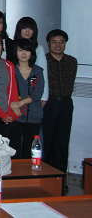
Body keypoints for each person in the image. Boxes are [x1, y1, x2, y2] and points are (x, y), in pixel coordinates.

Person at [42, 29, 77, 174]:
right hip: (49, 104)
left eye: (61, 42)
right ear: (48, 43)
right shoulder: (43, 60)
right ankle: (46, 176)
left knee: (62, 142)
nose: (58, 45)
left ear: (65, 43)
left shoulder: (71, 61)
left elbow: (70, 83)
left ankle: (61, 176)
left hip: (66, 104)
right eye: (54, 42)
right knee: (47, 141)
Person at [8, 39, 45, 159]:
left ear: (32, 53)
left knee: (30, 149)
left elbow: (37, 93)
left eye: (27, 50)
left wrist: (20, 103)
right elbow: (7, 91)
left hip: (33, 115)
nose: (24, 54)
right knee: (13, 148)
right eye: (20, 50)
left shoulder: (38, 71)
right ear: (16, 52)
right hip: (15, 115)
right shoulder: (11, 70)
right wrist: (14, 105)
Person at [13, 17, 49, 103]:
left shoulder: (38, 48)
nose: (27, 31)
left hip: (32, 90)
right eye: (24, 28)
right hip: (15, 88)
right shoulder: (12, 46)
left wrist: (44, 96)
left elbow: (43, 72)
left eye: (30, 29)